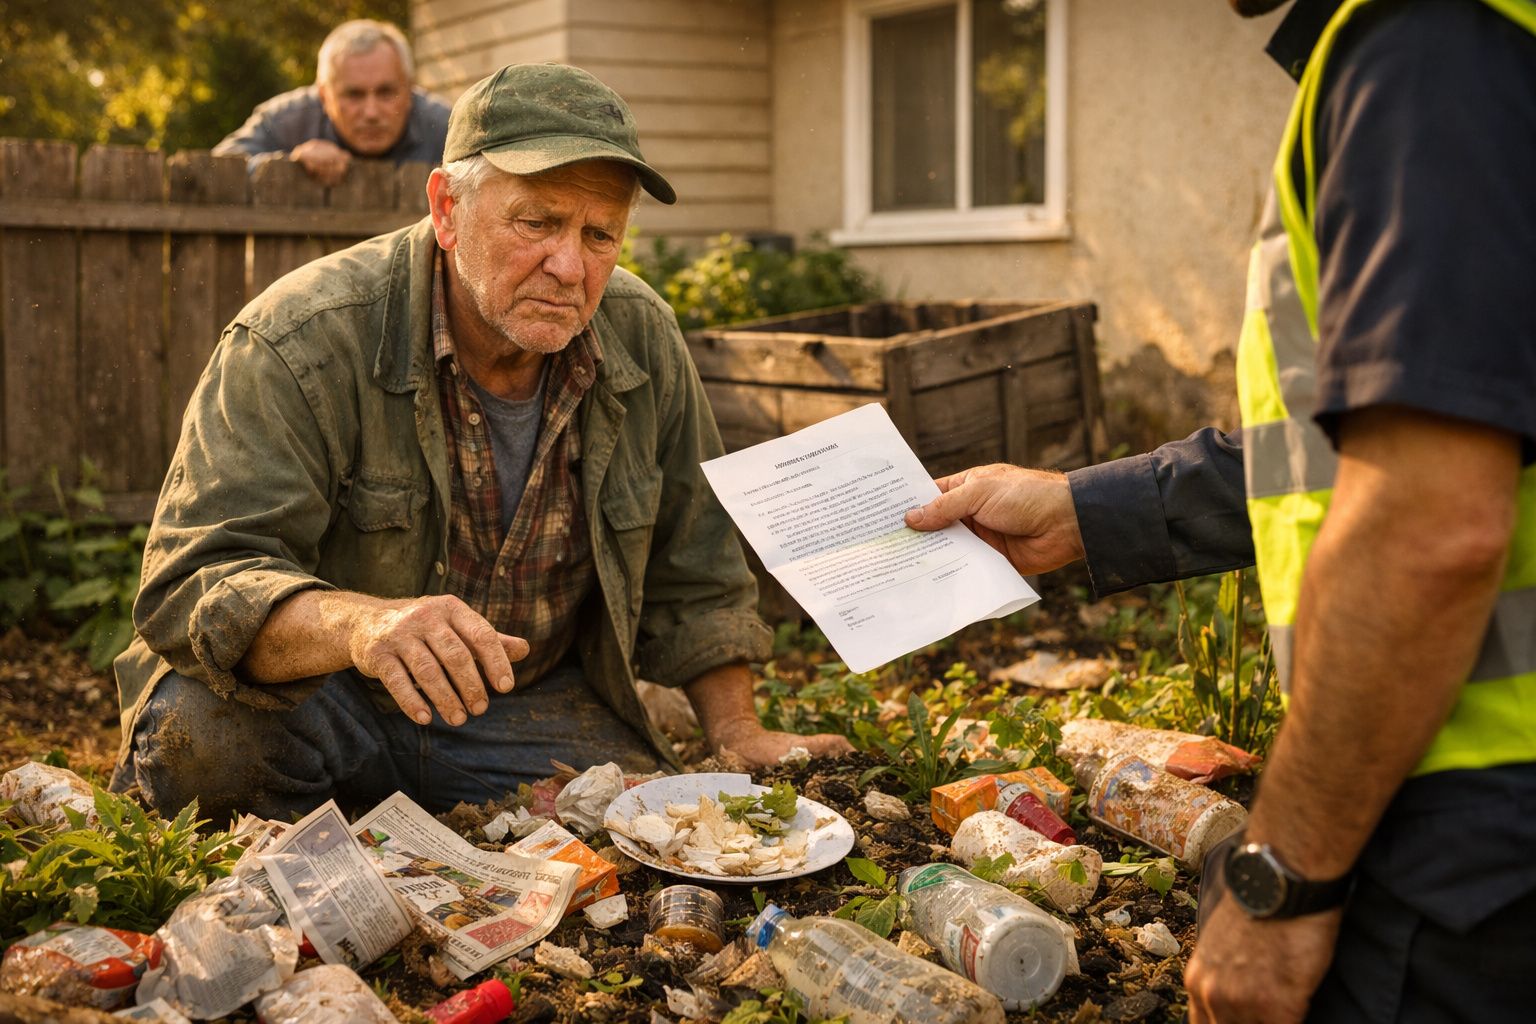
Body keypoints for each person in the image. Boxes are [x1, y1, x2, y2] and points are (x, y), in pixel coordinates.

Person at [906, 0, 1536, 1020]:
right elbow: (1344, 457)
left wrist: (1283, 880)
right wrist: (1079, 509)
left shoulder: (1429, 48)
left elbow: (1425, 525)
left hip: (1480, 842)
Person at [111, 62, 851, 822]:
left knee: (653, 825)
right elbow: (196, 581)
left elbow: (695, 563)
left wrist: (737, 732)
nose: (570, 266)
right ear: (447, 208)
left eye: (601, 234)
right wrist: (363, 627)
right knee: (199, 747)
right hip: (325, 699)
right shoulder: (300, 338)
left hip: (521, 709)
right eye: (537, 222)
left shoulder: (642, 335)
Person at [212, 19, 450, 186]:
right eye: (354, 95)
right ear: (324, 96)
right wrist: (288, 163)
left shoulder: (448, 127)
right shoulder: (287, 120)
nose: (371, 112)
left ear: (410, 88)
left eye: (386, 92)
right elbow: (212, 169)